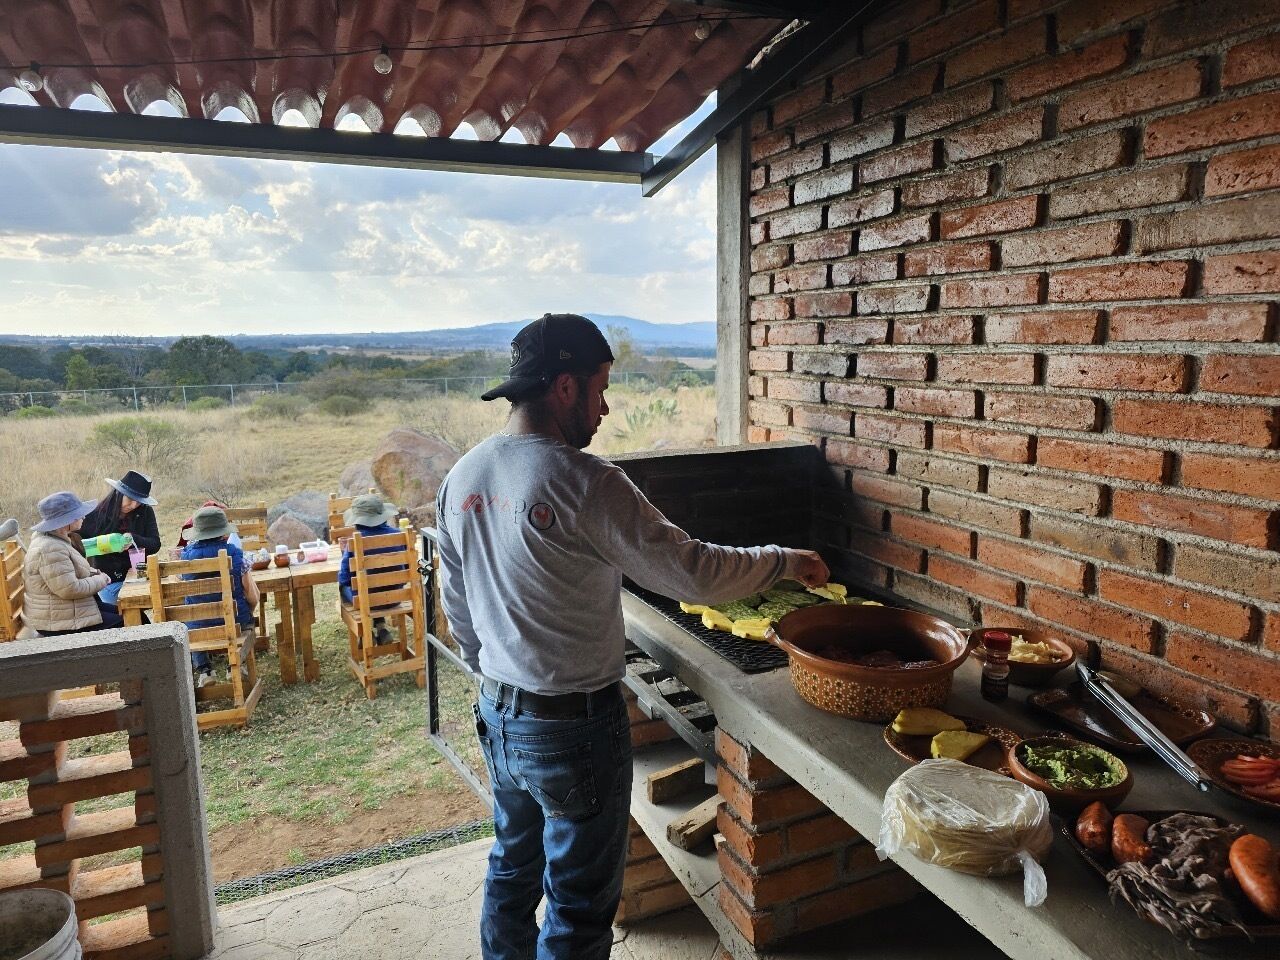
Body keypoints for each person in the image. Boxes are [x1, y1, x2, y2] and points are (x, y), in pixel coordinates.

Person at [435, 314, 829, 960]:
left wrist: (498, 676)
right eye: (600, 387)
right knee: (578, 910)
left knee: (510, 874)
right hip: (572, 732)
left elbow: (459, 609)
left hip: (499, 719)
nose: (607, 405)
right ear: (564, 388)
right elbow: (693, 571)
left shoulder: (463, 477)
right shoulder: (584, 483)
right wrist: (784, 559)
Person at [181, 506, 260, 688]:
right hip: (234, 623)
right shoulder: (236, 554)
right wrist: (250, 610)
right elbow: (251, 595)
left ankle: (205, 670)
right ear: (224, 534)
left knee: (193, 624)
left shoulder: (184, 560)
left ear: (197, 534)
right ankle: (235, 665)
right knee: (247, 622)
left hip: (198, 629)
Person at [22, 491, 114, 637]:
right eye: (78, 514)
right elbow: (70, 589)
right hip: (57, 621)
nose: (84, 517)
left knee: (128, 612)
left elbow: (68, 571)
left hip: (66, 611)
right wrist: (100, 580)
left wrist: (94, 573)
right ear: (66, 521)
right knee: (127, 622)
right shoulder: (50, 549)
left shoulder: (55, 539)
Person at [81, 470, 161, 624]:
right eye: (130, 499)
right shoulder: (96, 515)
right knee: (134, 619)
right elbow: (77, 545)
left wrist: (134, 539)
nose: (134, 505)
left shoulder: (145, 511)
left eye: (139, 501)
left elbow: (155, 544)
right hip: (109, 580)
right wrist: (103, 545)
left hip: (139, 574)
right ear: (118, 494)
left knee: (151, 606)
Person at [337, 494, 402, 646]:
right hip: (395, 598)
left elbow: (344, 578)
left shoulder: (355, 542)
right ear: (383, 516)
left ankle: (364, 633)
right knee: (371, 587)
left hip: (366, 602)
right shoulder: (399, 536)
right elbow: (405, 570)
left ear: (357, 521)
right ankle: (380, 628)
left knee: (347, 587)